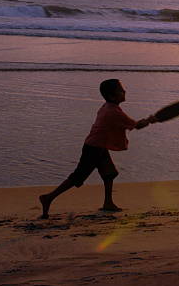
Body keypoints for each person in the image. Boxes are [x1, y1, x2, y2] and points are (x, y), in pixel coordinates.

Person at [39, 79, 155, 219]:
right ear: (112, 96)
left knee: (109, 174)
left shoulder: (107, 106)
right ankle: (48, 198)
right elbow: (136, 125)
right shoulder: (113, 112)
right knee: (78, 177)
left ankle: (108, 203)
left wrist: (146, 120)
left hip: (97, 145)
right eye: (121, 90)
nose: (124, 91)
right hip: (94, 147)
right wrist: (150, 120)